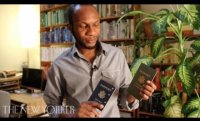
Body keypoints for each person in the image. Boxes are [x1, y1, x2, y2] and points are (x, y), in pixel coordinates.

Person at [43, 4, 157, 118]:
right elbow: (51, 107)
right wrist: (73, 115)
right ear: (70, 28)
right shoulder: (59, 64)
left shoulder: (116, 55)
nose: (92, 32)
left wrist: (136, 93)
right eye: (83, 26)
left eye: (96, 24)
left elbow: (125, 96)